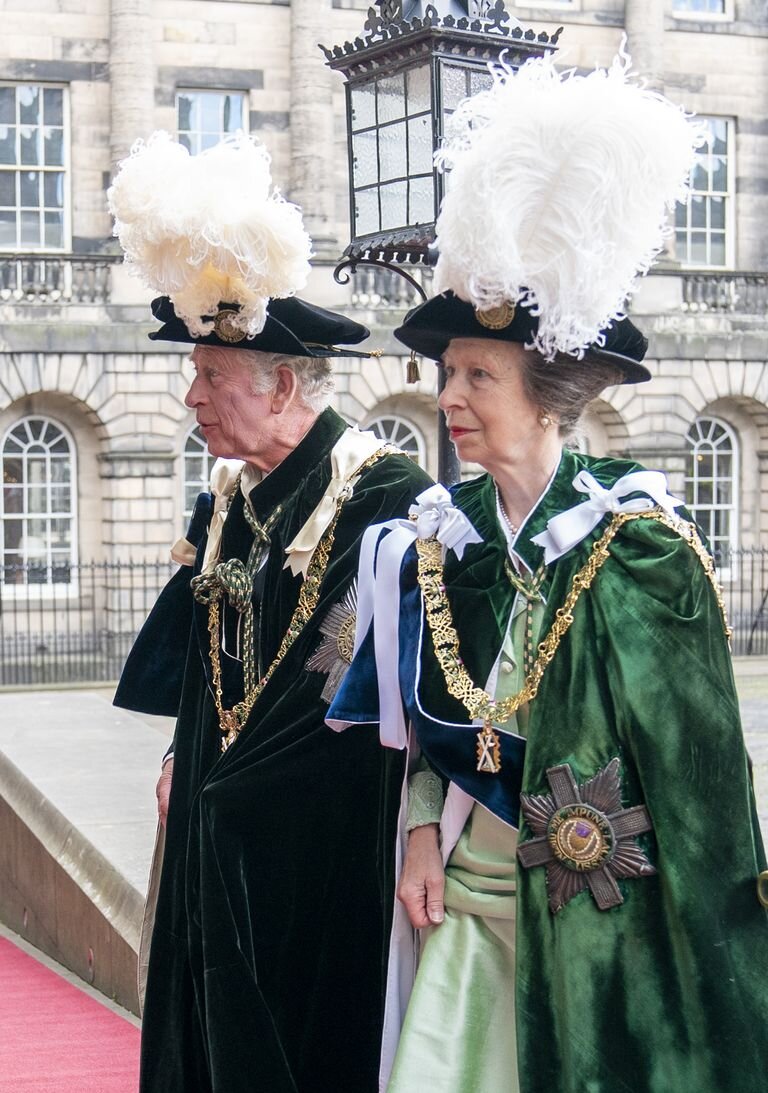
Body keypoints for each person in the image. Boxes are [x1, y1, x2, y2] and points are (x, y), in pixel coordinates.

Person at [328, 53, 768, 1093]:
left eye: (479, 375)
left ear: (548, 392)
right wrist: (420, 835)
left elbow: (703, 786)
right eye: (447, 376)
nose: (452, 397)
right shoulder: (439, 541)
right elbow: (431, 730)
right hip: (470, 912)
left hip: (599, 926)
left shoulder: (639, 544)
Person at [108, 133, 432, 1093]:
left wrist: (234, 790)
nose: (191, 395)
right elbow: (208, 664)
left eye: (210, 374)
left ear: (282, 383)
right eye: (197, 372)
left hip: (320, 841)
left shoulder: (383, 498)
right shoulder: (226, 498)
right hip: (217, 820)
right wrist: (181, 753)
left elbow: (363, 688)